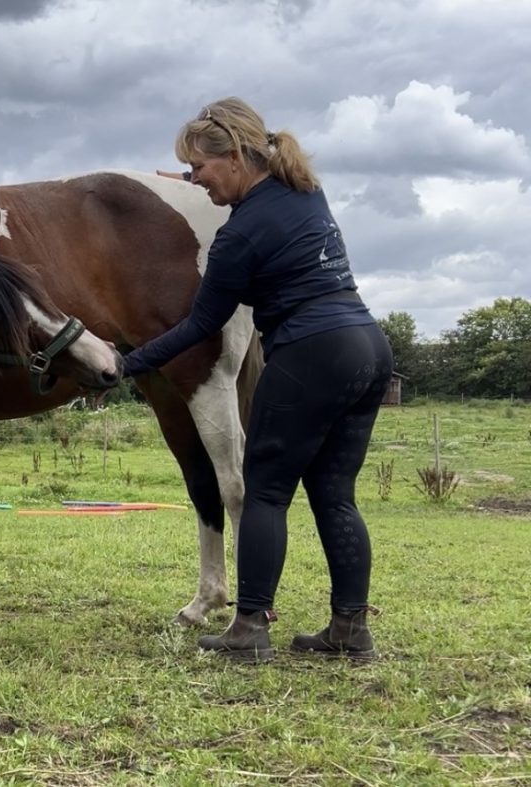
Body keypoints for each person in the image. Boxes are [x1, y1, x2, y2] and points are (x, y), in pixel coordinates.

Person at [124, 97, 393, 663]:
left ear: (236, 156)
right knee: (335, 496)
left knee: (265, 491)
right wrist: (180, 178)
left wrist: (128, 362)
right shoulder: (302, 189)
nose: (194, 181)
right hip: (366, 346)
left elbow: (201, 324)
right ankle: (349, 629)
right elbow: (247, 182)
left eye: (198, 168)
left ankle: (249, 627)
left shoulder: (237, 236)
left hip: (308, 353)